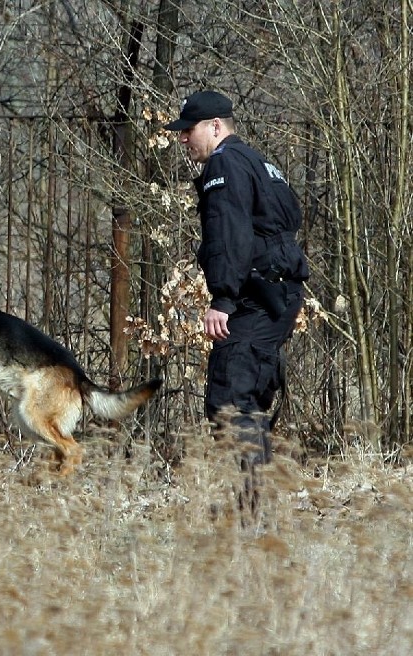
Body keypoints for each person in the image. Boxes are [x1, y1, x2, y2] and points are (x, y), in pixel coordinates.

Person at [164, 90, 309, 511]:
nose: (183, 140)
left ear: (214, 126)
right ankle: (253, 508)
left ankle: (251, 516)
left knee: (231, 402)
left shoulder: (224, 164)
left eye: (188, 131)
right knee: (249, 402)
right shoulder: (261, 163)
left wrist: (223, 299)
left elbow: (229, 235)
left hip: (251, 299)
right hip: (279, 295)